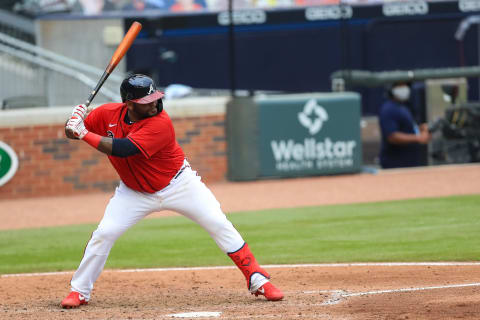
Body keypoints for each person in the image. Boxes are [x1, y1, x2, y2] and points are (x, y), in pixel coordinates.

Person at [60, 74, 284, 308]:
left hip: (179, 184)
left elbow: (123, 149)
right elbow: (71, 132)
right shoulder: (106, 114)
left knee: (218, 222)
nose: (155, 104)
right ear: (129, 104)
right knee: (105, 233)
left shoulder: (161, 123)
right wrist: (75, 121)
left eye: (156, 98)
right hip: (133, 192)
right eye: (147, 101)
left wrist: (83, 133)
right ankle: (80, 291)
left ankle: (258, 278)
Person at [378, 81, 431, 169]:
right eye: (400, 86)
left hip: (410, 162)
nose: (404, 88)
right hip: (395, 164)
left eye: (405, 85)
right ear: (391, 89)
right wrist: (418, 137)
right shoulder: (388, 109)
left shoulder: (404, 106)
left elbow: (407, 128)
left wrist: (420, 128)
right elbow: (392, 136)